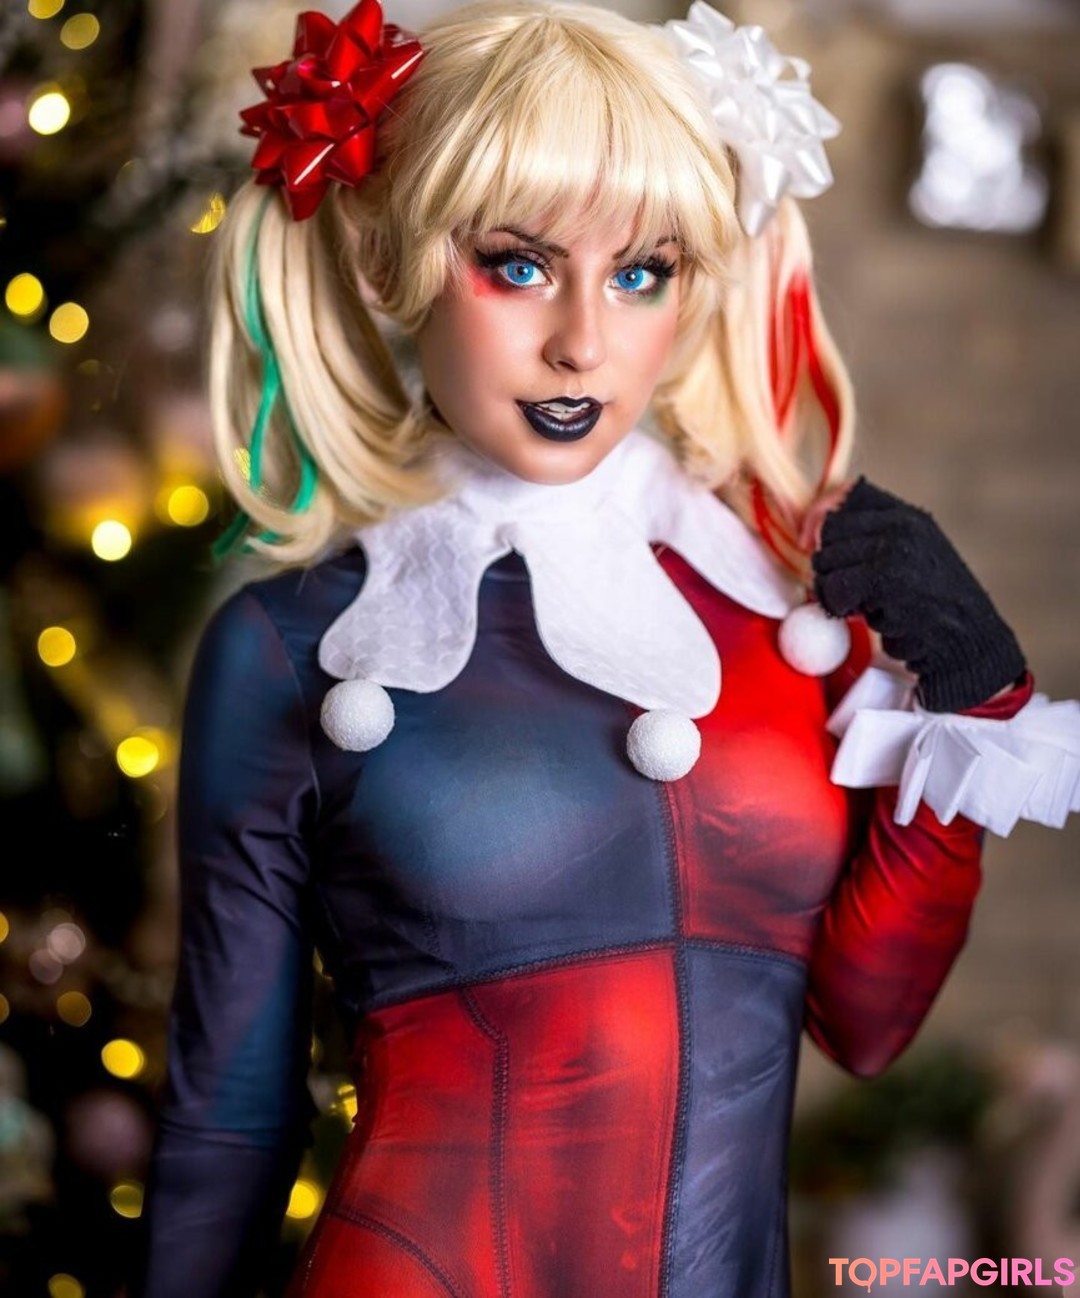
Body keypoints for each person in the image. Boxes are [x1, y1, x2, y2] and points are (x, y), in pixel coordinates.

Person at [132, 1, 1080, 1294]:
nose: (582, 339)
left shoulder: (788, 609)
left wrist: (978, 695)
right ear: (388, 263)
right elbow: (231, 1117)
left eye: (642, 273)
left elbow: (867, 1025)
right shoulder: (297, 646)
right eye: (517, 264)